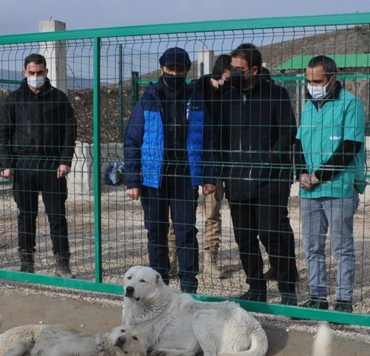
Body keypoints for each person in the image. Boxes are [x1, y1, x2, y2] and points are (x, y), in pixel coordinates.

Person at [125, 47, 215, 294]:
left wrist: (209, 177)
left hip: (185, 176)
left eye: (180, 69)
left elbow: (208, 141)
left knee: (186, 232)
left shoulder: (195, 99)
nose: (175, 73)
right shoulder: (148, 100)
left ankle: (188, 288)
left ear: (187, 70)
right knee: (156, 232)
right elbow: (132, 140)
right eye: (170, 69)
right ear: (162, 68)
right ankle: (159, 287)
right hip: (154, 178)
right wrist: (132, 180)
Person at [214, 43, 299, 304]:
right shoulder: (226, 97)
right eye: (231, 68)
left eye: (238, 69)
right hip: (237, 179)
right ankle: (256, 289)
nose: (233, 73)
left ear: (253, 69)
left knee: (272, 235)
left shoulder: (276, 94)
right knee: (245, 239)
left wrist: (271, 158)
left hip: (269, 180)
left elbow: (288, 132)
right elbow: (217, 132)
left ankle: (287, 290)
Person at [0, 53, 78, 277]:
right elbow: (3, 133)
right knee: (26, 214)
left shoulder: (59, 99)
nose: (36, 77)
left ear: (46, 72)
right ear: (24, 72)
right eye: (31, 73)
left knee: (57, 215)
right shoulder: (13, 100)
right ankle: (26, 260)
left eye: (40, 73)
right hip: (24, 165)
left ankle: (62, 262)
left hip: (52, 165)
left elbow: (69, 133)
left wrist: (64, 161)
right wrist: (6, 163)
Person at [296, 55, 366, 312]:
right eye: (308, 80)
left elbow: (350, 146)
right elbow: (299, 143)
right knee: (312, 247)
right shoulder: (308, 106)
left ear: (332, 79)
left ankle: (344, 300)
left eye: (317, 81)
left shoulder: (350, 104)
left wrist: (319, 176)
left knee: (341, 247)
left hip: (338, 188)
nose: (311, 85)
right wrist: (302, 172)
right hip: (310, 191)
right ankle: (317, 297)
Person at [190, 54, 232, 279]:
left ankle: (210, 261)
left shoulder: (233, 92)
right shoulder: (195, 90)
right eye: (226, 78)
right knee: (179, 214)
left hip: (218, 161)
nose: (228, 83)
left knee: (213, 213)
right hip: (193, 158)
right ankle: (174, 260)